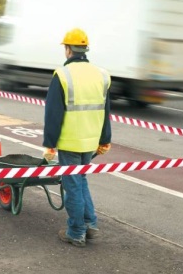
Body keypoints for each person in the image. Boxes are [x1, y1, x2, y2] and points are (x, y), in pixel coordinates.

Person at [42, 28, 112, 247]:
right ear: (86, 49)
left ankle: (76, 231)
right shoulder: (102, 74)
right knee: (80, 180)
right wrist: (104, 140)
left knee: (72, 184)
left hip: (70, 140)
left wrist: (50, 145)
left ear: (68, 49)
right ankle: (90, 224)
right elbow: (105, 109)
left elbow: (53, 113)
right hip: (90, 140)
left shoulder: (62, 75)